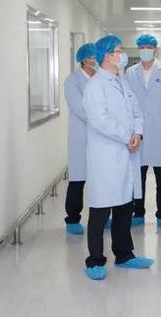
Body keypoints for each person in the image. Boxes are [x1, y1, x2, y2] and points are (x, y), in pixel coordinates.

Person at [82, 35, 154, 280]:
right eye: (118, 51)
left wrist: (138, 134)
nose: (122, 55)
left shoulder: (121, 82)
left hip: (126, 153)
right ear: (106, 56)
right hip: (106, 155)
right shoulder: (95, 86)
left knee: (124, 206)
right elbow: (100, 120)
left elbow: (137, 111)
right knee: (101, 209)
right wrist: (127, 136)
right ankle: (94, 260)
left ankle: (124, 255)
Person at [125, 34, 161, 229]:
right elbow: (127, 102)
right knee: (138, 176)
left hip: (159, 130)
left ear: (155, 49)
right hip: (137, 131)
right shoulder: (130, 72)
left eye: (149, 46)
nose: (145, 50)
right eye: (142, 47)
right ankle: (138, 212)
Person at [63, 43, 96, 235]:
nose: (94, 61)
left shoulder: (102, 79)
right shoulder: (72, 81)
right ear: (83, 60)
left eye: (96, 57)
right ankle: (73, 218)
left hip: (102, 137)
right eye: (91, 57)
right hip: (81, 136)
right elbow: (78, 108)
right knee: (78, 179)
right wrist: (102, 120)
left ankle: (102, 216)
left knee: (101, 179)